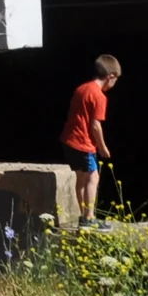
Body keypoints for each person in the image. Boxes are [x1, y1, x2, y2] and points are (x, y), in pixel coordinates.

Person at [61, 54, 122, 220]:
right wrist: (102, 147)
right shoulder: (99, 96)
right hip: (83, 143)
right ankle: (89, 217)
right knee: (93, 178)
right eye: (116, 80)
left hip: (69, 140)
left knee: (81, 178)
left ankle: (83, 215)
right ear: (110, 77)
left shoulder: (81, 89)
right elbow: (95, 125)